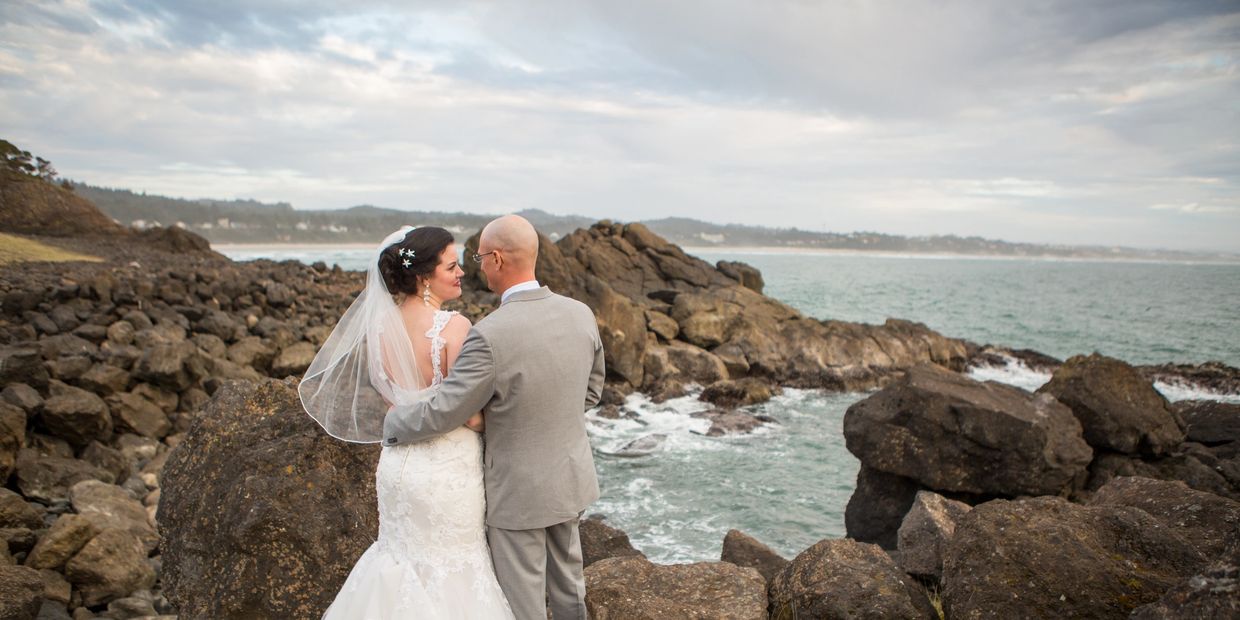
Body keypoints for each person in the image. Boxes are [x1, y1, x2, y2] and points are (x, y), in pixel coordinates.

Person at [384, 214, 605, 620]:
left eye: (480, 256)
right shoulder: (581, 314)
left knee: (523, 606)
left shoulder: (489, 334)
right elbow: (590, 392)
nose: (476, 265)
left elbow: (448, 410)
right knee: (570, 591)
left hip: (516, 492)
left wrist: (392, 425)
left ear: (498, 260)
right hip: (570, 478)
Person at [299, 225, 514, 619]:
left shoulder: (379, 327)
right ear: (423, 277)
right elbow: (468, 415)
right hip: (448, 470)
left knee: (398, 560)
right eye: (451, 266)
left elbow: (393, 403)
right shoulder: (454, 328)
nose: (461, 273)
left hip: (398, 465)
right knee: (454, 569)